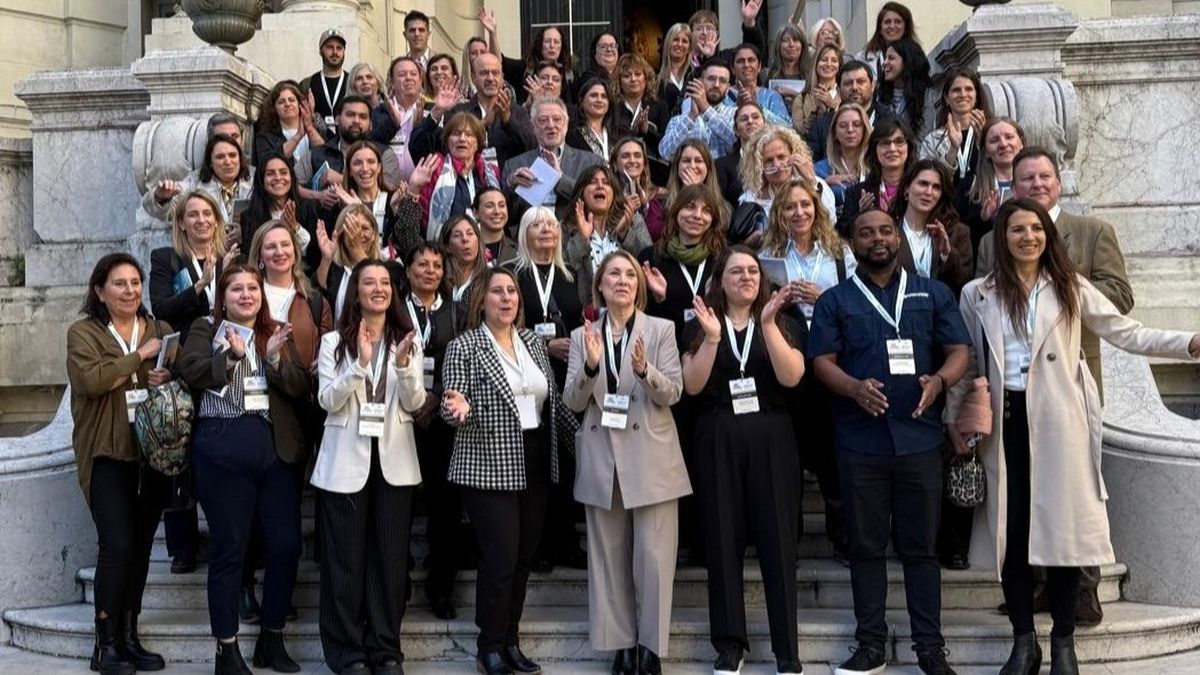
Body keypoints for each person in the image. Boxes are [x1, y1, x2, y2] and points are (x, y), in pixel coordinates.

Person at [946, 198, 1200, 675]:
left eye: (1036, 229)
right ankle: (1024, 642)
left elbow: (1127, 333)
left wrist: (1187, 343)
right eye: (1017, 229)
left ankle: (1063, 641)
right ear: (1001, 237)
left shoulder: (1068, 286)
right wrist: (957, 421)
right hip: (1004, 422)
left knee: (1062, 537)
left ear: (1048, 235)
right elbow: (969, 364)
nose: (1028, 237)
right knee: (1012, 535)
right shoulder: (977, 293)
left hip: (1061, 422)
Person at [975, 148, 1135, 627]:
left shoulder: (1086, 247)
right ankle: (1028, 623)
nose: (1037, 184)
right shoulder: (983, 271)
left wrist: (1187, 343)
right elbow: (977, 343)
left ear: (1057, 183)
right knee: (1017, 517)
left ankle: (1076, 607)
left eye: (1045, 175)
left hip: (1065, 399)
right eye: (1027, 178)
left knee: (1068, 513)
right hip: (1008, 411)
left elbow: (1125, 316)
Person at [809, 208, 969, 675]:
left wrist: (940, 381)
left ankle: (930, 649)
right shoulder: (835, 301)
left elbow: (959, 350)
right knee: (865, 546)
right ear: (851, 242)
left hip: (919, 440)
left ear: (897, 237)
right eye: (865, 233)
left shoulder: (932, 292)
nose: (877, 239)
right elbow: (822, 361)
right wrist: (853, 388)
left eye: (885, 231)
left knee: (921, 548)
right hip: (861, 443)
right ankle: (871, 646)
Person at [440, 267, 579, 675]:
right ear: (482, 300)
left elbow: (551, 404)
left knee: (523, 556)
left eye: (512, 292)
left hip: (535, 457)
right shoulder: (463, 346)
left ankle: (511, 640)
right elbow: (453, 406)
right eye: (497, 291)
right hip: (488, 462)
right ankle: (490, 646)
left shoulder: (534, 343)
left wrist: (589, 439)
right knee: (500, 556)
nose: (506, 298)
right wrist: (461, 410)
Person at [562, 250, 690, 675]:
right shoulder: (583, 337)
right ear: (599, 284)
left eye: (630, 275)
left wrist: (646, 370)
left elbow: (673, 392)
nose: (623, 281)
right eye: (614, 274)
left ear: (638, 286)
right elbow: (572, 401)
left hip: (652, 455)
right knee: (608, 557)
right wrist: (592, 365)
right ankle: (620, 644)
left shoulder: (661, 329)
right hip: (603, 458)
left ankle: (651, 647)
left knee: (654, 560)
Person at [681, 246, 807, 675]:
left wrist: (769, 323)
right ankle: (730, 644)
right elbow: (693, 387)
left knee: (778, 545)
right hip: (717, 435)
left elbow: (792, 377)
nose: (746, 277)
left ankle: (787, 651)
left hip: (771, 436)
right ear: (719, 280)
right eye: (736, 271)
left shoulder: (785, 322)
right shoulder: (700, 326)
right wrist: (713, 338)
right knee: (722, 540)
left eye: (753, 270)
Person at [178, 265, 307, 675]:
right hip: (223, 449)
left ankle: (271, 638)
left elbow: (301, 385)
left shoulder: (276, 333)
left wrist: (273, 363)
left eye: (253, 288)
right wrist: (231, 356)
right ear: (224, 296)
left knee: (286, 546)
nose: (247, 295)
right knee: (229, 548)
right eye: (237, 288)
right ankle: (226, 648)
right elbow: (192, 371)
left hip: (275, 450)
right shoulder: (205, 328)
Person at [311, 259, 425, 675]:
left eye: (384, 283)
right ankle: (346, 653)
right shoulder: (331, 343)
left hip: (394, 463)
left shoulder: (406, 340)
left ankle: (385, 650)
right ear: (355, 292)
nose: (377, 289)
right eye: (368, 282)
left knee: (390, 562)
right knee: (345, 563)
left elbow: (414, 404)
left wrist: (401, 366)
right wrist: (359, 365)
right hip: (345, 464)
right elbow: (327, 400)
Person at [68, 253, 173, 675]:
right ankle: (104, 641)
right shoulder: (84, 333)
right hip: (106, 453)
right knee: (117, 546)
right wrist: (137, 359)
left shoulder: (158, 328)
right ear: (99, 291)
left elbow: (170, 369)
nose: (130, 291)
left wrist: (160, 372)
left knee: (143, 546)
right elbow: (90, 381)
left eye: (135, 282)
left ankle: (130, 636)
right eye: (119, 283)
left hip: (151, 453)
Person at [146, 191, 240, 580]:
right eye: (193, 215)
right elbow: (161, 308)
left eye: (208, 214)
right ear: (181, 222)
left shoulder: (235, 258)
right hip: (183, 365)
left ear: (217, 221)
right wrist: (200, 285)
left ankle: (226, 534)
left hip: (226, 364)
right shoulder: (165, 259)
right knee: (179, 451)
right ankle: (182, 546)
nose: (201, 220)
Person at [759, 181, 854, 559]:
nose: (798, 213)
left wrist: (824, 299)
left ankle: (842, 536)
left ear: (817, 209)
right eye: (789, 207)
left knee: (834, 452)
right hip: (789, 358)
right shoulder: (768, 255)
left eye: (804, 205)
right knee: (788, 451)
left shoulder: (840, 253)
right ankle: (788, 538)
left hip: (831, 358)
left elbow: (857, 302)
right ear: (779, 215)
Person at [510, 206, 588, 571]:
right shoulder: (512, 275)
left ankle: (565, 542)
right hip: (527, 381)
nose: (545, 230)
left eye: (551, 225)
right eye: (536, 225)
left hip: (567, 377)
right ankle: (537, 545)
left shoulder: (571, 276)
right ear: (524, 233)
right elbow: (502, 330)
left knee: (568, 461)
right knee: (537, 462)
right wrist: (542, 346)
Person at [402, 243, 469, 621]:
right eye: (421, 264)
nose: (430, 271)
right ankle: (399, 581)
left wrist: (437, 396)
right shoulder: (396, 310)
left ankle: (441, 589)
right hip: (402, 420)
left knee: (446, 511)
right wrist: (415, 400)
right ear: (408, 269)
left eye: (436, 265)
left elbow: (464, 360)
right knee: (401, 506)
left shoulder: (458, 313)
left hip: (443, 422)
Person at [412, 53, 536, 171]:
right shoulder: (458, 111)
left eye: (495, 73)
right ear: (473, 77)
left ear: (502, 78)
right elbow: (443, 147)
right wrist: (483, 123)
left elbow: (531, 147)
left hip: (506, 186)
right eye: (484, 73)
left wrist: (508, 120)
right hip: (469, 184)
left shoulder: (516, 111)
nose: (490, 78)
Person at [659, 58, 785, 161]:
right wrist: (691, 117)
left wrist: (706, 109)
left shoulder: (736, 114)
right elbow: (665, 153)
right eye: (711, 79)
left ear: (728, 88)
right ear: (700, 81)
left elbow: (741, 141)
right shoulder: (681, 119)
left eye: (723, 81)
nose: (717, 85)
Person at [405, 112, 503, 243]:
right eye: (456, 134)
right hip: (445, 250)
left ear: (478, 141)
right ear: (447, 140)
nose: (462, 139)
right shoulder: (435, 169)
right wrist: (414, 188)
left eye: (469, 134)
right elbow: (417, 223)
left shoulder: (491, 173)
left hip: (488, 250)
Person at [504, 97, 605, 223]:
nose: (551, 125)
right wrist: (511, 186)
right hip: (530, 237)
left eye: (557, 120)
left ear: (566, 124)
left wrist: (559, 179)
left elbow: (596, 202)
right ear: (533, 126)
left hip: (575, 237)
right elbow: (507, 215)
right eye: (543, 120)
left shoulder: (591, 162)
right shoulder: (514, 165)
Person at [562, 165, 653, 303]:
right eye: (592, 182)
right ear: (582, 192)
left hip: (629, 307)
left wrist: (625, 234)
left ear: (614, 192)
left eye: (606, 182)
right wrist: (582, 239)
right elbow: (563, 271)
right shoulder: (565, 226)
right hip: (587, 314)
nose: (600, 186)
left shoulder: (633, 220)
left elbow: (648, 261)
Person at [734, 126, 837, 242]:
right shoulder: (751, 198)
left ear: (793, 155)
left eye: (781, 157)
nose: (777, 165)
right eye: (769, 160)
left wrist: (811, 183)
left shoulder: (816, 183)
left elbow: (830, 222)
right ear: (759, 165)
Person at [888, 159, 974, 295]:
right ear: (906, 188)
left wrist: (947, 253)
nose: (929, 192)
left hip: (940, 313)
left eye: (936, 187)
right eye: (923, 184)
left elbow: (965, 284)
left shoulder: (958, 231)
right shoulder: (888, 231)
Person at [308, 95, 403, 212]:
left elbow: (391, 187)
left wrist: (342, 179)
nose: (356, 121)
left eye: (363, 117)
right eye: (350, 115)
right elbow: (295, 186)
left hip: (375, 221)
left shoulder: (384, 153)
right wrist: (318, 196)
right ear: (337, 119)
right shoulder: (319, 152)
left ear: (371, 124)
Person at [143, 133, 255, 229]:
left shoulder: (255, 181)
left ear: (240, 159)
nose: (228, 161)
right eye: (220, 157)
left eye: (232, 155)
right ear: (210, 163)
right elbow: (157, 210)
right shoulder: (194, 184)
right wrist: (160, 198)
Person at [837, 118, 918, 236]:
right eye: (885, 143)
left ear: (909, 147)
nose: (892, 148)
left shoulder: (919, 190)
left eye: (899, 141)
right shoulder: (857, 193)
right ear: (874, 150)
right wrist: (861, 215)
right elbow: (842, 235)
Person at [805, 60, 893, 163]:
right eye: (848, 83)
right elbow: (810, 165)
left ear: (873, 86)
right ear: (838, 89)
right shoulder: (822, 125)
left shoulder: (889, 121)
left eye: (860, 82)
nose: (854, 87)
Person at [254, 80, 327, 205]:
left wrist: (309, 128)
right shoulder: (265, 138)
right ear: (274, 109)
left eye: (291, 100)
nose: (287, 104)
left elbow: (325, 156)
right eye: (281, 102)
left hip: (318, 200)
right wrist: (298, 136)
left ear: (301, 105)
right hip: (284, 199)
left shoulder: (316, 131)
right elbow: (270, 162)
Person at [958, 117, 1025, 253]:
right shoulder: (970, 186)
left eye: (1009, 137)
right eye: (994, 140)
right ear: (986, 151)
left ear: (1021, 142)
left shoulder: (1035, 182)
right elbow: (960, 237)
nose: (1003, 144)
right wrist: (983, 219)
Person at [919, 67, 990, 184]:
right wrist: (953, 150)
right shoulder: (932, 140)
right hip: (949, 201)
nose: (963, 94)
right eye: (956, 90)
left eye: (969, 89)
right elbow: (926, 180)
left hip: (985, 199)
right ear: (947, 98)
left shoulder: (993, 132)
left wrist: (984, 140)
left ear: (976, 96)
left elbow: (1001, 169)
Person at [315, 203, 382, 324]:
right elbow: (314, 299)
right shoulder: (333, 269)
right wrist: (326, 259)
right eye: (352, 228)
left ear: (373, 234)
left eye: (365, 228)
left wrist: (357, 251)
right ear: (340, 234)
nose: (358, 234)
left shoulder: (388, 268)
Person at [650, 139, 728, 241]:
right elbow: (660, 236)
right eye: (686, 161)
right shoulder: (658, 203)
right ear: (677, 167)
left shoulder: (723, 207)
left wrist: (695, 192)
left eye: (699, 161)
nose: (692, 166)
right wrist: (688, 194)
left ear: (708, 168)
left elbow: (717, 239)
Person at [815, 103, 871, 216]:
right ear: (834, 133)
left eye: (856, 124)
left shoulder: (875, 167)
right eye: (843, 126)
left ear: (865, 130)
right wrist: (824, 184)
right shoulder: (820, 169)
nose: (850, 130)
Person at [379, 56, 428, 183]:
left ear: (420, 79)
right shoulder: (382, 110)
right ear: (392, 82)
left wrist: (421, 126)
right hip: (389, 187)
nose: (408, 78)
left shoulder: (430, 110)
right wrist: (392, 123)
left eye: (413, 74)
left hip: (422, 187)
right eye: (402, 74)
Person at [612, 54, 670, 157]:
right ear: (619, 81)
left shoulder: (660, 106)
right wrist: (631, 132)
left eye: (638, 74)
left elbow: (667, 144)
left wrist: (647, 130)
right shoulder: (612, 107)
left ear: (646, 78)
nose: (633, 79)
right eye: (626, 76)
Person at [874, 37, 931, 137]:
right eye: (885, 57)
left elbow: (926, 134)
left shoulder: (926, 95)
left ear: (907, 61)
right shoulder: (879, 95)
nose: (884, 63)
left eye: (891, 58)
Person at [715, 102, 767, 206]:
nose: (750, 121)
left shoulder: (777, 159)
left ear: (765, 125)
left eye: (755, 117)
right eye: (744, 119)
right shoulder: (721, 165)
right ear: (736, 129)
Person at [728, 43, 790, 121]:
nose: (746, 65)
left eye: (751, 60)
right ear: (732, 68)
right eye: (740, 61)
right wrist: (737, 107)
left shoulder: (771, 96)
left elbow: (787, 125)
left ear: (759, 66)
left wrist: (758, 107)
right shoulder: (723, 95)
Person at [792, 44, 842, 136]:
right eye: (824, 60)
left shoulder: (845, 95)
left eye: (834, 60)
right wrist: (815, 111)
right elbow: (800, 131)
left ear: (839, 66)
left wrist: (831, 106)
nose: (829, 64)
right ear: (816, 64)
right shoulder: (801, 99)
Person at [857, 2, 919, 78]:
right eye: (887, 22)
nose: (892, 26)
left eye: (898, 22)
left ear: (906, 28)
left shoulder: (916, 57)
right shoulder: (862, 59)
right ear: (880, 28)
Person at [439, 213, 490, 303]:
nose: (465, 239)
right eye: (457, 235)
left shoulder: (490, 278)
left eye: (470, 233)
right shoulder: (438, 278)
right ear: (447, 246)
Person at [767, 23, 813, 111]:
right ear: (778, 46)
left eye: (795, 40)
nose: (791, 44)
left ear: (802, 46)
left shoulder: (811, 75)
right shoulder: (767, 75)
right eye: (786, 40)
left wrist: (792, 93)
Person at [567, 78, 615, 160]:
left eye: (604, 96)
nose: (599, 100)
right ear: (581, 101)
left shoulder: (617, 135)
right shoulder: (571, 136)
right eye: (594, 95)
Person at [309, 28, 349, 126]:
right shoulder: (308, 83)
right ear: (321, 51)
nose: (335, 52)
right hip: (317, 138)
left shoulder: (353, 81)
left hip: (347, 139)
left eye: (339, 48)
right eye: (330, 47)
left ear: (344, 52)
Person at [475, 186, 518, 266]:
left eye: (502, 205)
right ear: (475, 212)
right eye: (489, 206)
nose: (497, 211)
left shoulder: (519, 250)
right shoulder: (466, 247)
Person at [655, 23, 692, 116]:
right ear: (668, 43)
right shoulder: (655, 77)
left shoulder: (695, 75)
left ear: (689, 47)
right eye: (675, 40)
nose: (679, 44)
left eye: (684, 41)